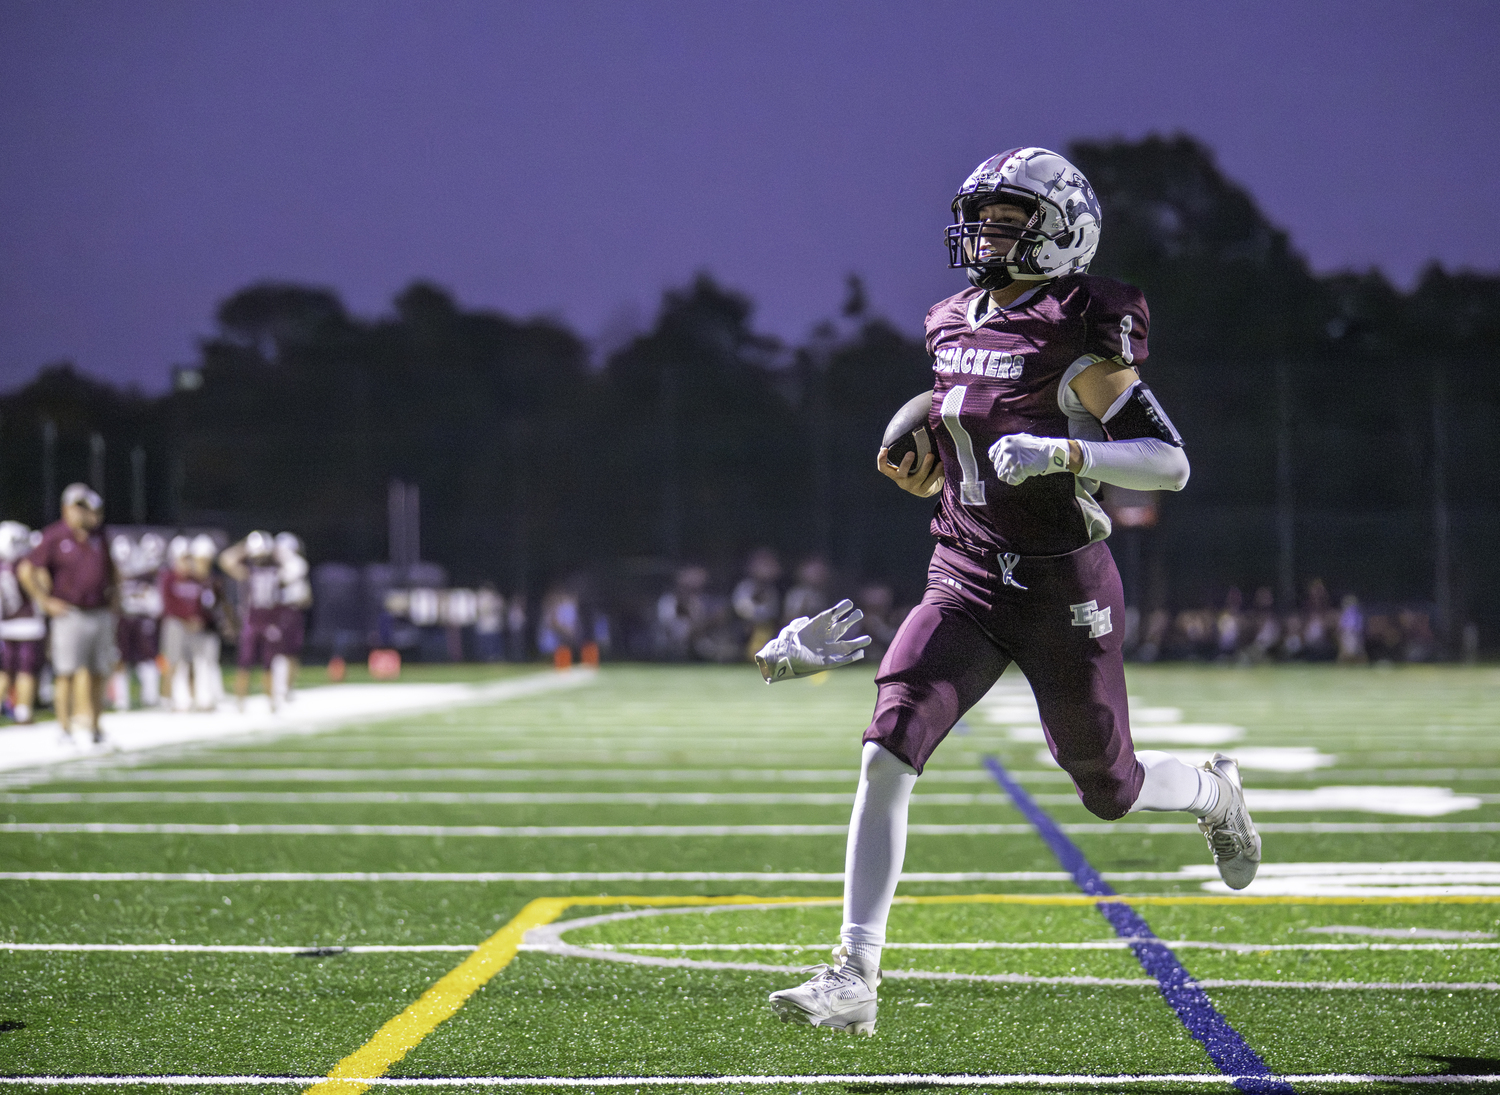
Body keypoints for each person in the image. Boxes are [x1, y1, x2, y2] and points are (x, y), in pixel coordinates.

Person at [761, 148, 1261, 1035]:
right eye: (983, 216)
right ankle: (853, 975)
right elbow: (962, 417)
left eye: (1008, 218)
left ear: (1060, 230)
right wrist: (934, 469)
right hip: (964, 569)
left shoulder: (1082, 324)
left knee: (1109, 785)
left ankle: (1214, 790)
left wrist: (1068, 452)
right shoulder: (951, 319)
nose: (985, 233)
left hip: (1062, 584)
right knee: (887, 751)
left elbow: (1170, 463)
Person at [18, 484, 117, 744]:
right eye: (79, 508)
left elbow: (112, 569)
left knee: (98, 672)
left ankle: (95, 727)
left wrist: (115, 597)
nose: (85, 514)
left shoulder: (99, 536)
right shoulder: (54, 536)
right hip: (70, 612)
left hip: (99, 610)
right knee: (67, 673)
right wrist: (44, 601)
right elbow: (27, 570)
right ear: (67, 509)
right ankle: (64, 727)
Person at [218, 531, 283, 710]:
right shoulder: (247, 571)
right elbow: (225, 560)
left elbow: (294, 566)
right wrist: (244, 548)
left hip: (269, 622)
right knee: (244, 662)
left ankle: (272, 701)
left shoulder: (277, 568)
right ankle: (240, 701)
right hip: (252, 622)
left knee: (269, 664)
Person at [109, 532, 164, 709]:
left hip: (142, 616)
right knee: (119, 657)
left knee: (147, 656)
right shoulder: (113, 573)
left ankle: (150, 696)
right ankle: (121, 699)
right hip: (123, 616)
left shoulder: (147, 571)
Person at [0, 521, 45, 724]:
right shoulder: (24, 566)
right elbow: (40, 590)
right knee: (26, 670)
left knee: (5, 671)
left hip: (6, 625)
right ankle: (23, 712)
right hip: (27, 625)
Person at [272, 532, 311, 705]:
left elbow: (283, 582)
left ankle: (286, 688)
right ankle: (281, 687)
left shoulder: (296, 564)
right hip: (279, 610)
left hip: (290, 610)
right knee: (278, 650)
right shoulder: (279, 565)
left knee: (289, 651)